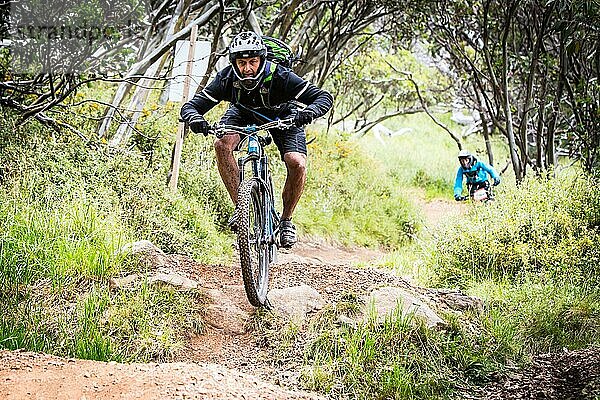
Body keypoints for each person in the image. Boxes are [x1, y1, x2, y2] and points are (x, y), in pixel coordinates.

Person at [180, 31, 333, 248]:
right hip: (242, 113)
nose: (248, 68)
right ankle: (240, 210)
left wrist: (308, 112)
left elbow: (323, 97)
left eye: (253, 61)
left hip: (284, 116)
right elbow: (191, 106)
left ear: (262, 59)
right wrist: (196, 120)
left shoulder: (280, 76)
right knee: (222, 144)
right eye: (242, 63)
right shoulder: (226, 78)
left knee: (296, 162)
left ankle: (286, 221)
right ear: (234, 63)